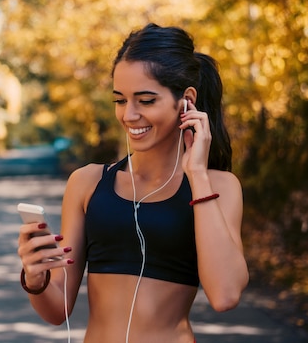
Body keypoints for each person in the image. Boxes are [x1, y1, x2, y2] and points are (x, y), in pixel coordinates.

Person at [17, 23, 249, 343]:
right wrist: (35, 276)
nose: (129, 115)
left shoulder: (217, 187)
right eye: (120, 100)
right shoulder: (87, 183)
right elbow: (57, 311)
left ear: (186, 102)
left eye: (145, 100)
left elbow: (225, 295)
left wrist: (197, 173)